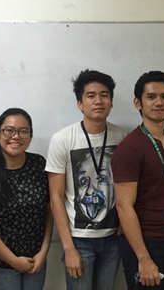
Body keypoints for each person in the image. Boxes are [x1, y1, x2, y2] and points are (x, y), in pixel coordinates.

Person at [46, 69, 128, 290]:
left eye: (104, 95)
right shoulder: (62, 139)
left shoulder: (122, 137)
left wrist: (123, 224)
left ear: (111, 102)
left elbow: (126, 187)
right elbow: (55, 196)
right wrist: (68, 248)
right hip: (78, 239)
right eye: (91, 95)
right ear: (79, 103)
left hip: (113, 237)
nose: (98, 101)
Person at [112, 71, 164, 289]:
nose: (159, 102)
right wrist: (143, 259)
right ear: (138, 103)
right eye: (151, 97)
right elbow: (124, 206)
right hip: (145, 243)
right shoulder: (130, 148)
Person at [0, 108, 53, 290]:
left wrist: (43, 252)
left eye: (23, 131)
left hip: (35, 261)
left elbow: (49, 211)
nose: (16, 136)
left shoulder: (39, 165)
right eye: (9, 130)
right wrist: (14, 261)